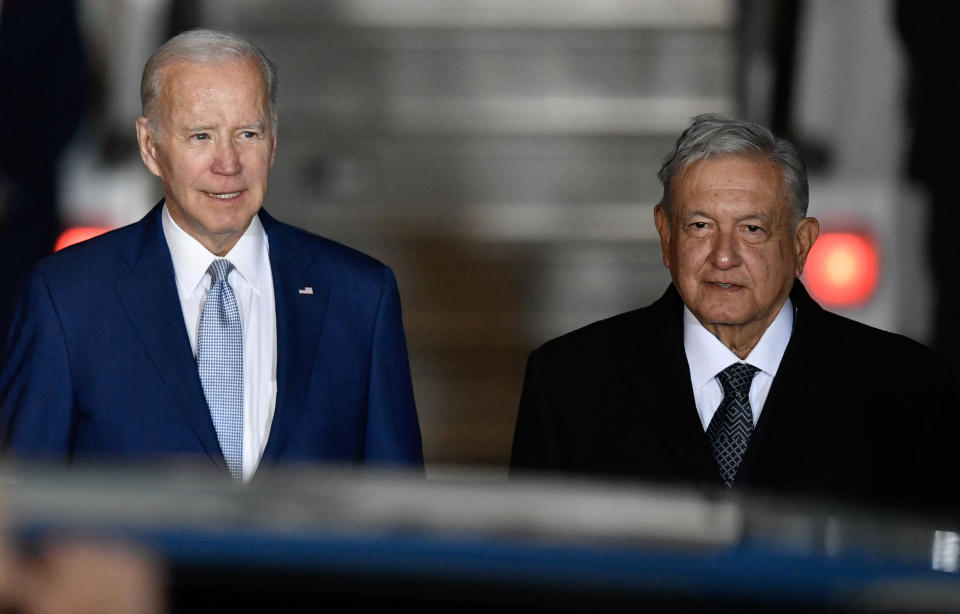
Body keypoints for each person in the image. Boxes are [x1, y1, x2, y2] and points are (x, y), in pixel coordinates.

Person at [0, 28, 423, 480]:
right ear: (150, 147)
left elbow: (400, 514)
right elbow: (21, 510)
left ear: (274, 140)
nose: (228, 164)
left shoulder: (360, 298)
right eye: (201, 136)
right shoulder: (67, 300)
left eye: (247, 133)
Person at [511, 114, 960, 512]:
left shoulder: (908, 389)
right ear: (666, 236)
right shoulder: (568, 385)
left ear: (801, 244)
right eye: (700, 226)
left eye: (752, 229)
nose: (724, 256)